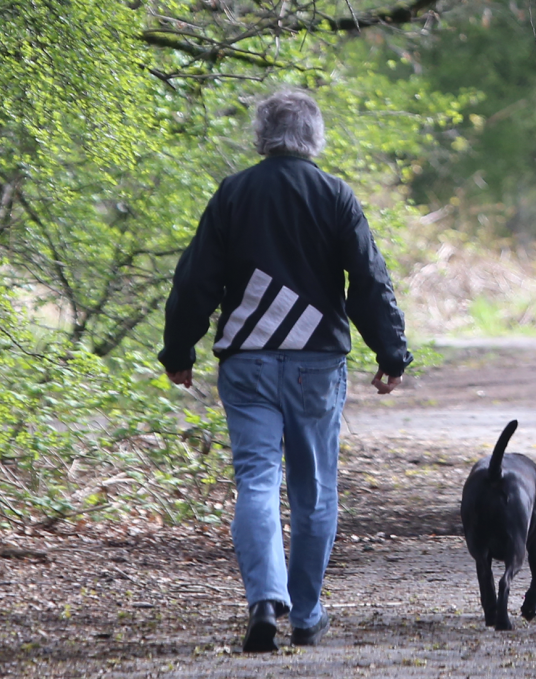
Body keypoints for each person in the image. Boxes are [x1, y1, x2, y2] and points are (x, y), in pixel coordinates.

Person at [158, 89, 412, 651]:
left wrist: (179, 350)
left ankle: (265, 601)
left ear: (262, 135)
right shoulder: (335, 195)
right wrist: (391, 353)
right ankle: (305, 612)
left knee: (255, 481)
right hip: (316, 366)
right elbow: (369, 281)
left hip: (246, 364)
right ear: (314, 137)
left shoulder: (234, 193)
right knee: (314, 490)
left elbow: (195, 279)